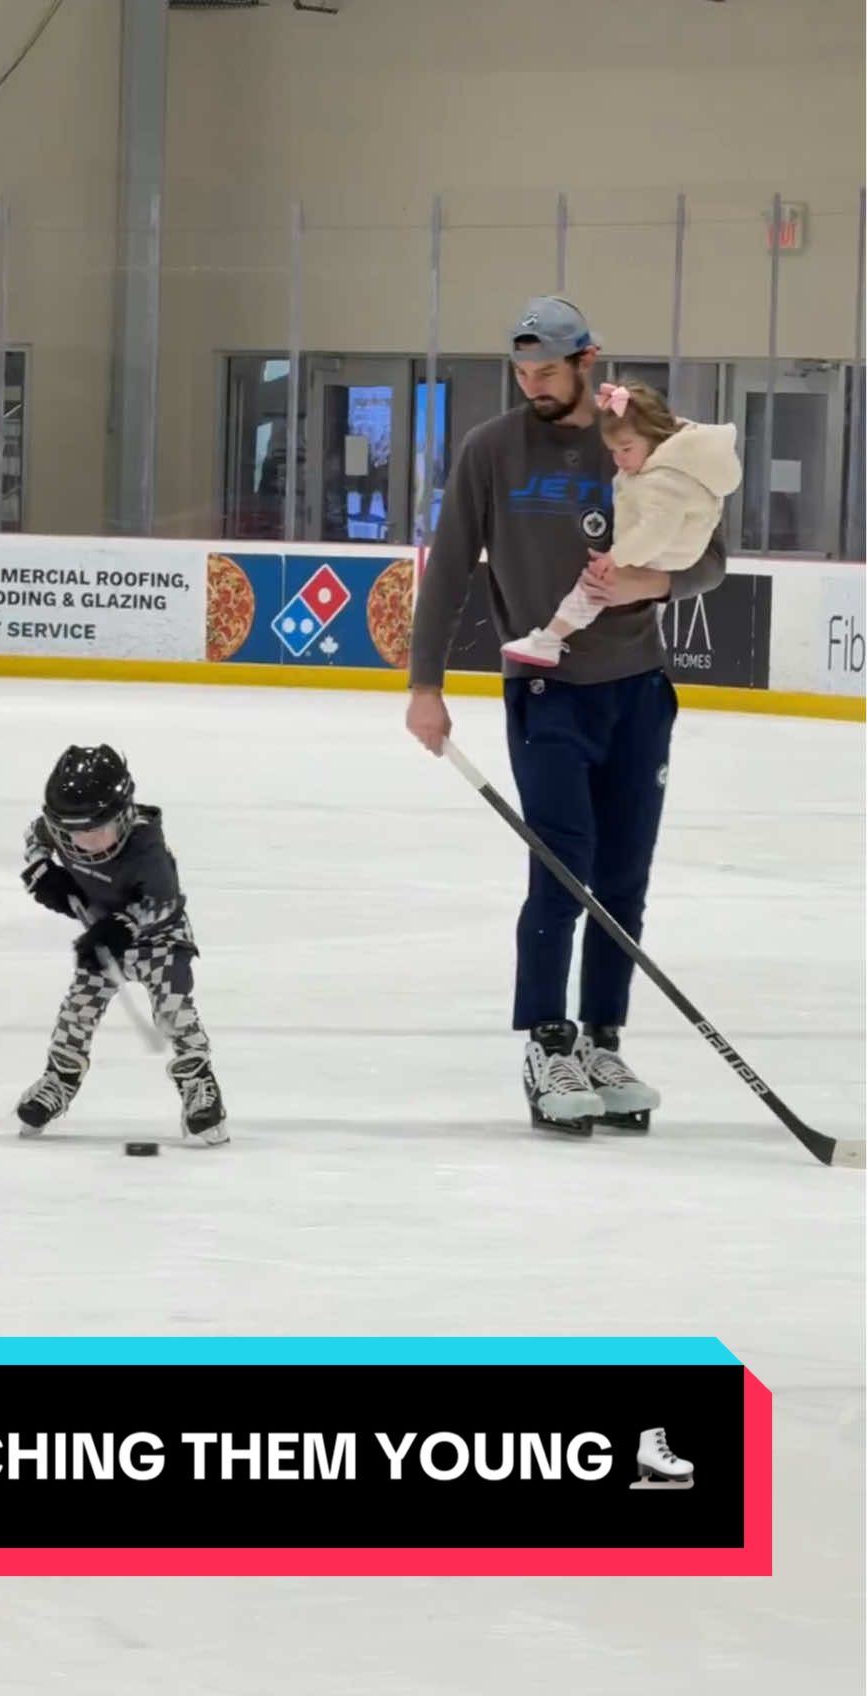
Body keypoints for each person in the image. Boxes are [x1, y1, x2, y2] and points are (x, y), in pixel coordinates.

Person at [405, 295, 726, 1135]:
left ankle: (603, 1037)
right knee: (562, 865)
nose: (532, 384)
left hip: (639, 690)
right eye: (521, 371)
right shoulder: (491, 450)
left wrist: (649, 583)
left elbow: (711, 557)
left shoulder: (641, 434)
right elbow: (447, 573)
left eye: (546, 369)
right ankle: (549, 1040)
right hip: (546, 689)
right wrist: (424, 685)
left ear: (588, 360)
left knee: (624, 871)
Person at [16, 744, 229, 1146]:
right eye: (74, 834)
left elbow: (165, 903)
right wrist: (41, 871)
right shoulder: (61, 828)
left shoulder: (148, 849)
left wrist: (122, 927)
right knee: (77, 1011)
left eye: (100, 830)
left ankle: (198, 1085)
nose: (89, 842)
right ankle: (59, 1081)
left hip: (159, 939)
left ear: (126, 815)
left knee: (174, 1010)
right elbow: (35, 836)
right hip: (103, 937)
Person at [502, 379, 741, 667]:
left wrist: (618, 559)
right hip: (661, 551)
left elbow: (659, 534)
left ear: (653, 438)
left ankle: (550, 639)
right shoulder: (655, 460)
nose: (618, 460)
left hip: (669, 551)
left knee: (596, 584)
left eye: (625, 450)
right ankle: (551, 639)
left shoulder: (664, 480)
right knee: (602, 588)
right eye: (613, 451)